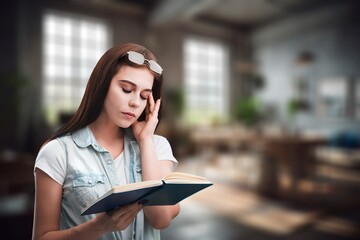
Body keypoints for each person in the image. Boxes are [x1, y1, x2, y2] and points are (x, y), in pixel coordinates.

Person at [32, 43, 180, 240]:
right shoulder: (58, 152)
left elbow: (160, 220)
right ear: (102, 85)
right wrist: (97, 227)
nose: (135, 102)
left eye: (144, 95)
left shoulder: (157, 146)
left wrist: (145, 141)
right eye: (126, 89)